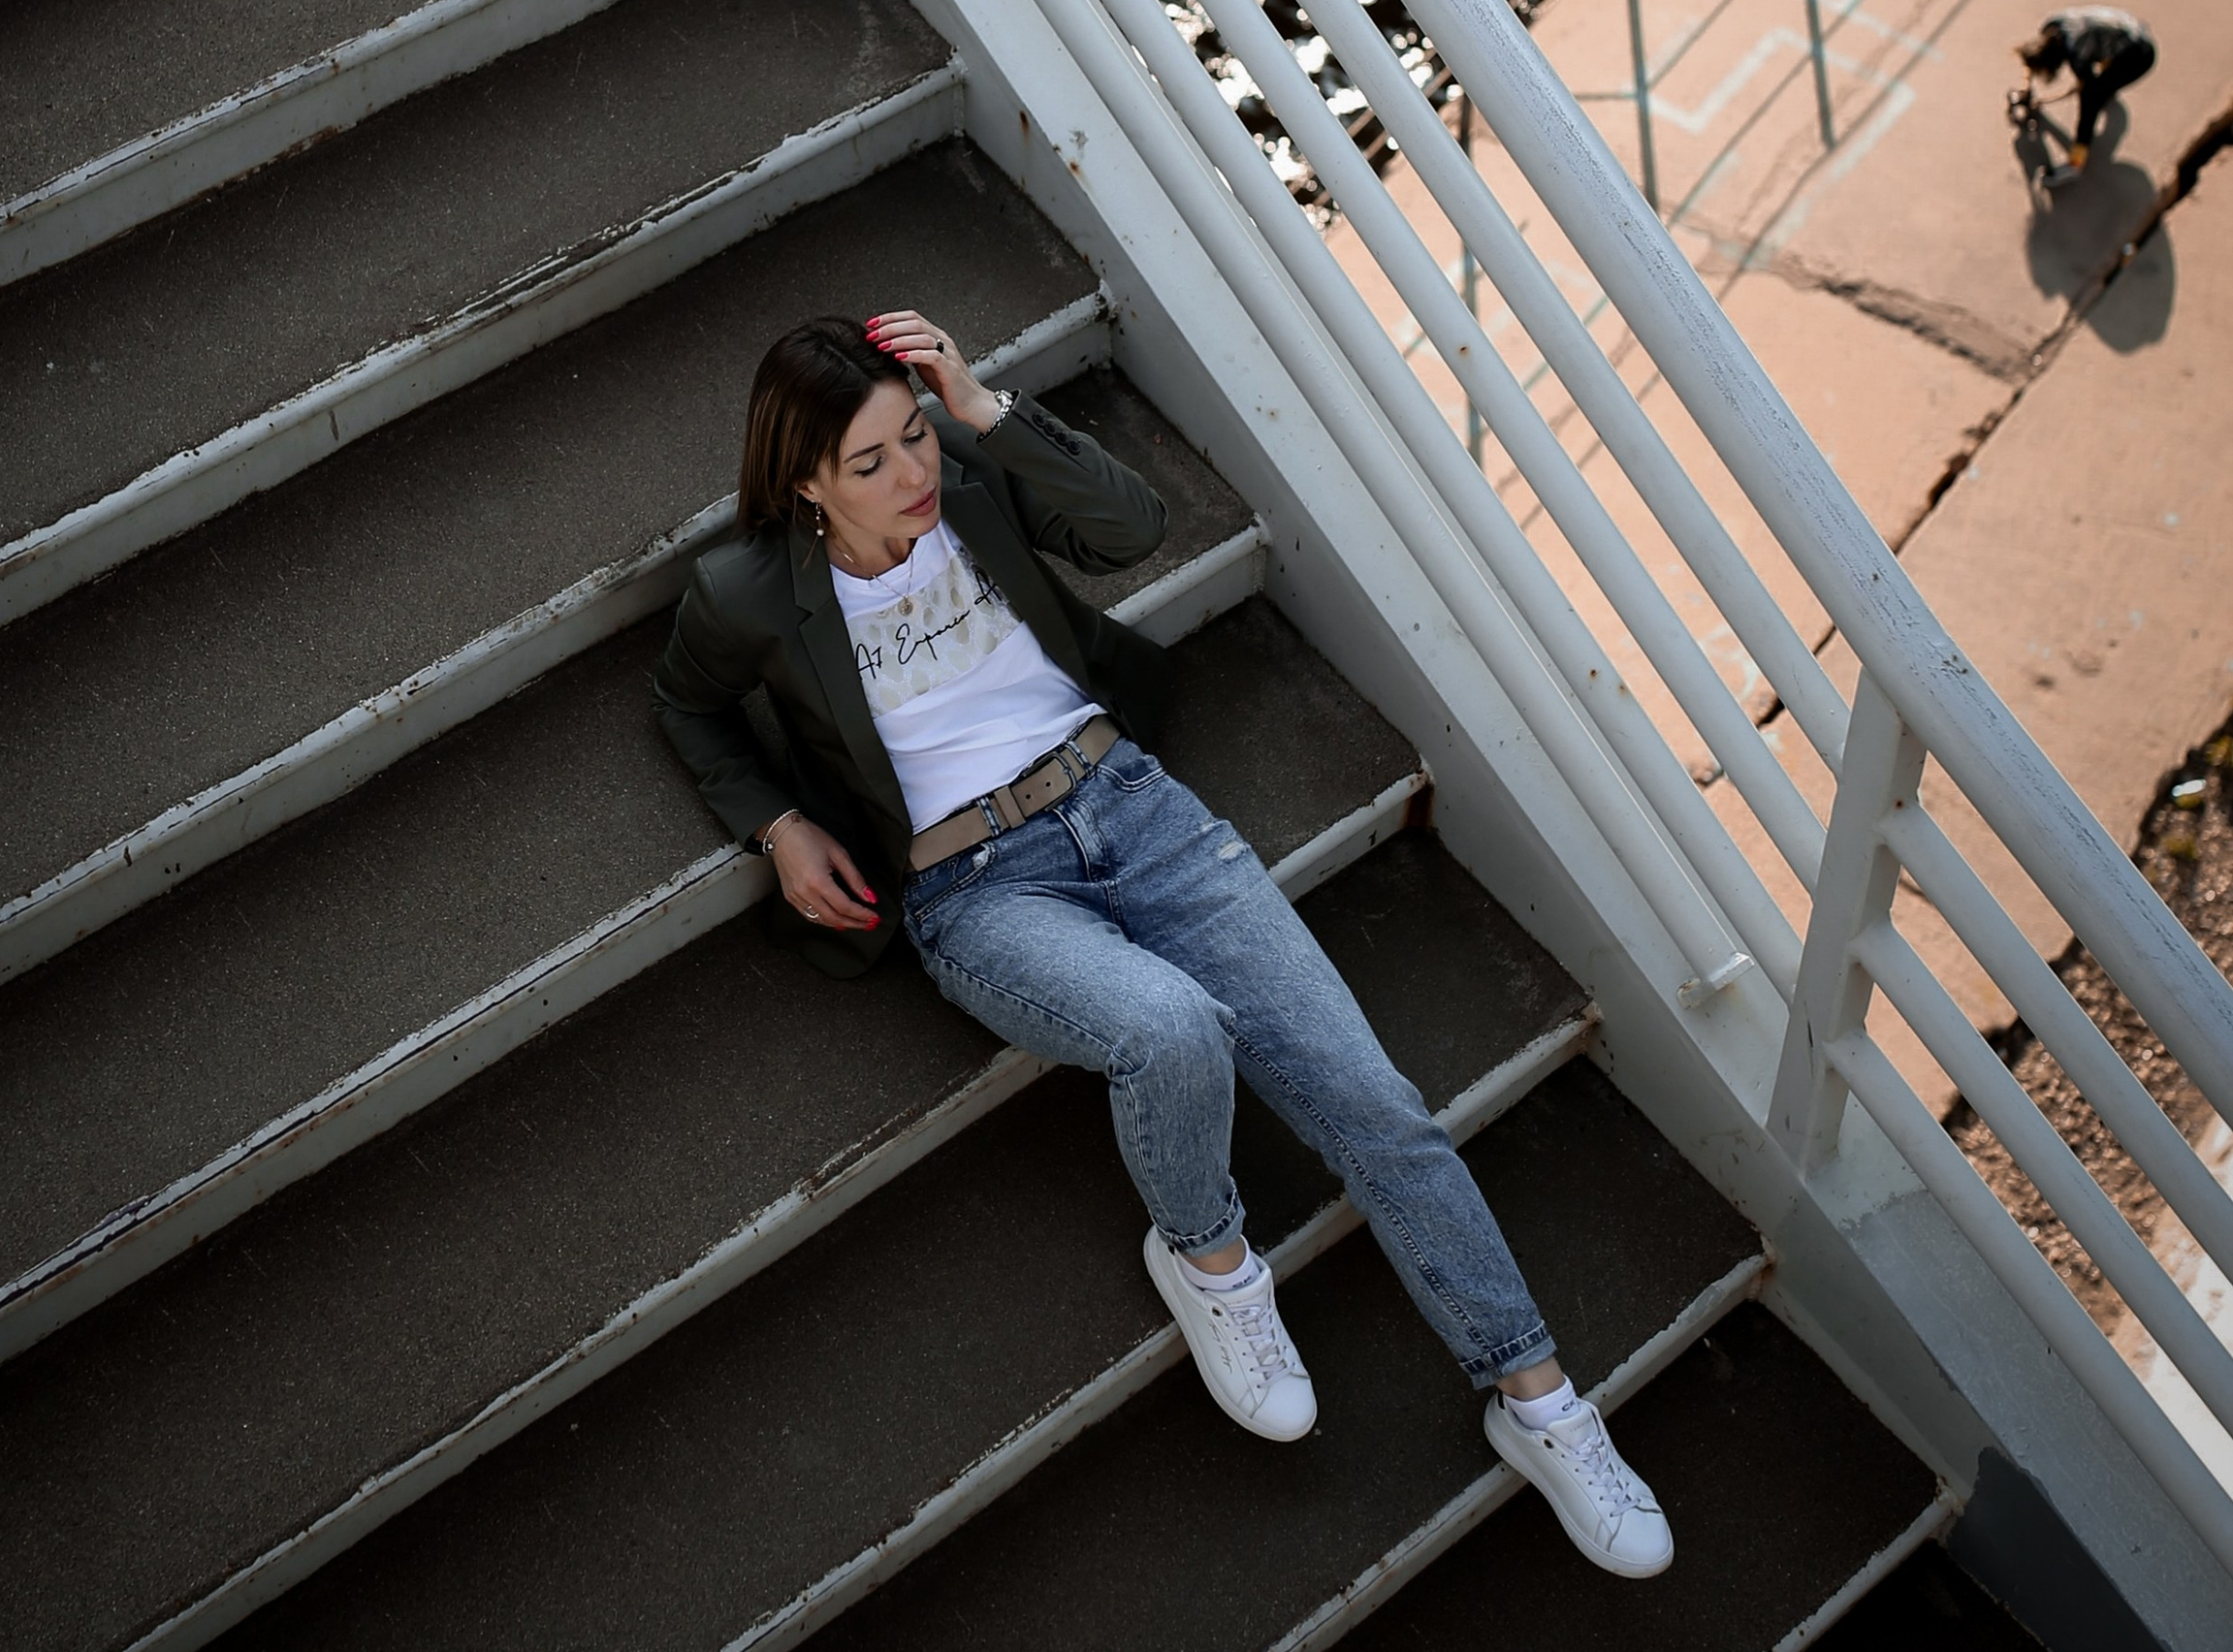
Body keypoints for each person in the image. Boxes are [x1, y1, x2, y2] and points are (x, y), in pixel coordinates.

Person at [653, 305, 1673, 1579]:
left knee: (1376, 1101)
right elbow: (686, 704)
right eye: (873, 463)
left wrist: (983, 411)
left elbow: (1133, 531)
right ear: (804, 477)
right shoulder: (751, 592)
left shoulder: (967, 473)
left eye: (913, 436)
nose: (911, 475)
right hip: (977, 888)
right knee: (1171, 1030)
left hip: (1136, 811)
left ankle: (1543, 1408)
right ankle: (1211, 1262)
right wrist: (782, 827)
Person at [2017, 6, 2155, 171]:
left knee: (2093, 96)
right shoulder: (2053, 24)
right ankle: (2107, 83)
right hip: (2124, 30)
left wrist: (2079, 148)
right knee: (2098, 83)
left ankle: (2079, 157)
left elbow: (2087, 96)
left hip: (2139, 55)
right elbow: (2034, 57)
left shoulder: (2078, 54)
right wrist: (2028, 91)